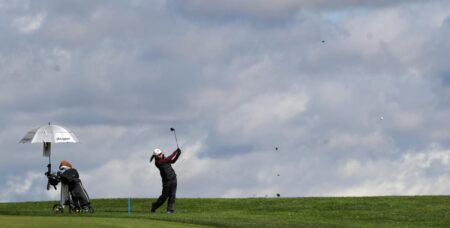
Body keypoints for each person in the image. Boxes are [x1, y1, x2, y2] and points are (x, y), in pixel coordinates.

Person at [150, 148, 181, 213]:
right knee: (164, 197)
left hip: (173, 178)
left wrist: (178, 154)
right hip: (166, 181)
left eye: (160, 153)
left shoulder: (164, 157)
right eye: (158, 155)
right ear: (155, 156)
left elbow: (172, 161)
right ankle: (154, 206)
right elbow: (168, 159)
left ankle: (170, 210)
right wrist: (175, 152)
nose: (160, 155)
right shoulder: (158, 162)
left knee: (172, 195)